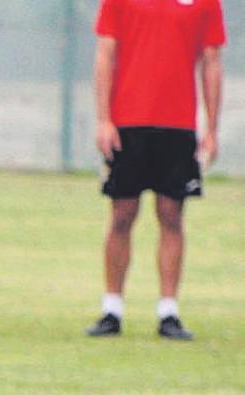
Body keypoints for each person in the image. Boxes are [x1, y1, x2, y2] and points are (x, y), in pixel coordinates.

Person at [88, 0, 225, 340]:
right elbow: (106, 53)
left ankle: (168, 312)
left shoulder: (205, 3)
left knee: (171, 214)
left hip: (177, 125)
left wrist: (211, 129)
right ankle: (112, 309)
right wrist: (104, 119)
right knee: (122, 214)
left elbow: (211, 62)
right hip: (127, 121)